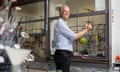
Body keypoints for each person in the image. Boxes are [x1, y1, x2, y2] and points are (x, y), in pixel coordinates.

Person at [54, 5, 92, 72]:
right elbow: (74, 36)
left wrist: (85, 29)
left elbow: (73, 35)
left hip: (64, 54)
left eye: (68, 11)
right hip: (62, 54)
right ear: (61, 12)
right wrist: (87, 29)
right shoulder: (60, 23)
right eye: (65, 11)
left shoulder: (64, 23)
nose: (67, 13)